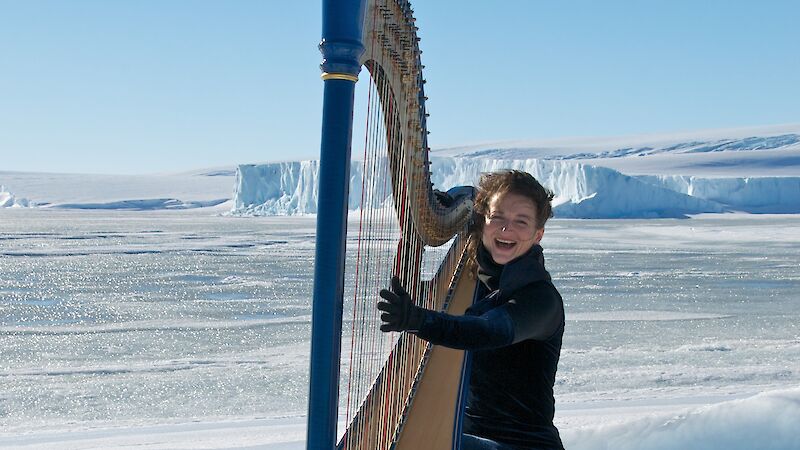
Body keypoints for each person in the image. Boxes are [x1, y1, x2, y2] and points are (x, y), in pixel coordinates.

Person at [378, 170, 565, 450]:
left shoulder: (540, 299)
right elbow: (468, 194)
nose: (506, 229)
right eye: (497, 217)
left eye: (521, 222)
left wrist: (420, 321)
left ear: (538, 234)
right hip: (467, 438)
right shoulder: (473, 276)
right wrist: (447, 203)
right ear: (482, 221)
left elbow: (487, 331)